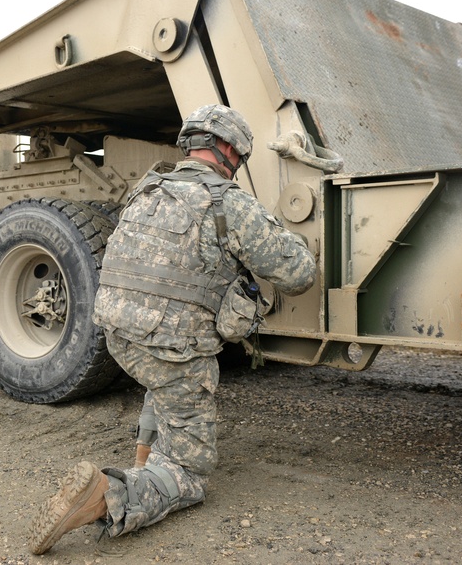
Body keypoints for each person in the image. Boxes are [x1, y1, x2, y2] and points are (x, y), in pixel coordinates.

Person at [29, 104, 318, 555]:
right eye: (240, 157)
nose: (238, 165)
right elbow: (298, 273)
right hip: (171, 348)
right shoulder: (229, 203)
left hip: (121, 334)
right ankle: (106, 496)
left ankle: (143, 458)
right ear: (226, 148)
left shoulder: (147, 189)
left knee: (163, 374)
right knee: (190, 472)